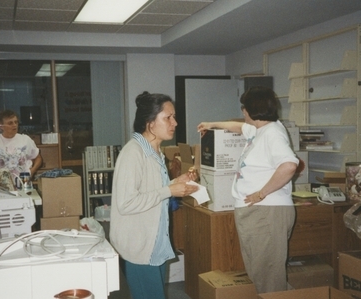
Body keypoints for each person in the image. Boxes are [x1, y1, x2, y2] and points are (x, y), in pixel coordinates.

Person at [197, 86, 299, 293]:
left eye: (244, 107)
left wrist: (262, 192)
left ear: (252, 109)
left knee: (268, 276)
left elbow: (289, 165)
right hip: (257, 212)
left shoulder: (272, 134)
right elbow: (238, 127)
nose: (242, 112)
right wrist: (212, 124)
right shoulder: (260, 130)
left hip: (266, 211)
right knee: (259, 272)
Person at [109, 91, 199, 299]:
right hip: (140, 246)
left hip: (154, 242)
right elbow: (126, 203)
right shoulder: (133, 153)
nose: (174, 123)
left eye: (173, 117)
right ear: (150, 123)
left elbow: (150, 191)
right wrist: (169, 190)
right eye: (168, 117)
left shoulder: (155, 152)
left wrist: (176, 182)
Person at [0, 109, 43, 185]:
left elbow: (38, 158)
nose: (14, 125)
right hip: (2, 186)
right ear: (1, 126)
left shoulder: (26, 139)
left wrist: (32, 171)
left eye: (16, 122)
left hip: (24, 183)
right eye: (10, 123)